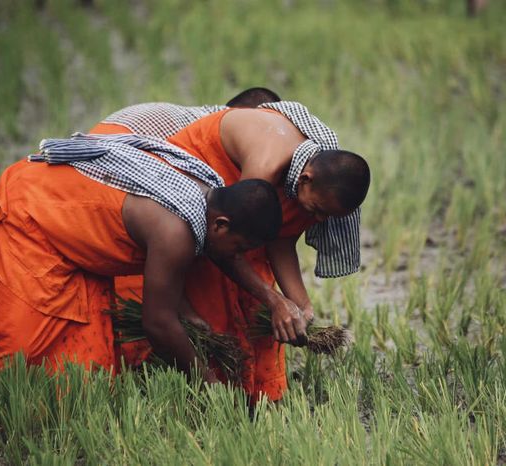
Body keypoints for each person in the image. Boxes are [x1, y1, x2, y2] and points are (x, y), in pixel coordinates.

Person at [89, 100, 370, 402]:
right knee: (202, 296)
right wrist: (273, 300)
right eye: (316, 211)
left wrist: (300, 304)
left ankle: (250, 392)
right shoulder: (266, 166)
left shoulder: (307, 178)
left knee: (251, 303)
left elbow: (282, 237)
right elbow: (228, 242)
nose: (317, 221)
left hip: (232, 220)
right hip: (196, 198)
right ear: (306, 179)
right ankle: (189, 390)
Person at [0, 132, 283, 402]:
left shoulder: (209, 188)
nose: (237, 255)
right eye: (240, 248)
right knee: (15, 366)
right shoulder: (175, 232)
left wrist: (195, 317)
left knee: (84, 373)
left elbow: (198, 268)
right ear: (221, 225)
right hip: (30, 213)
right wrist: (208, 385)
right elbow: (157, 323)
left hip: (77, 245)